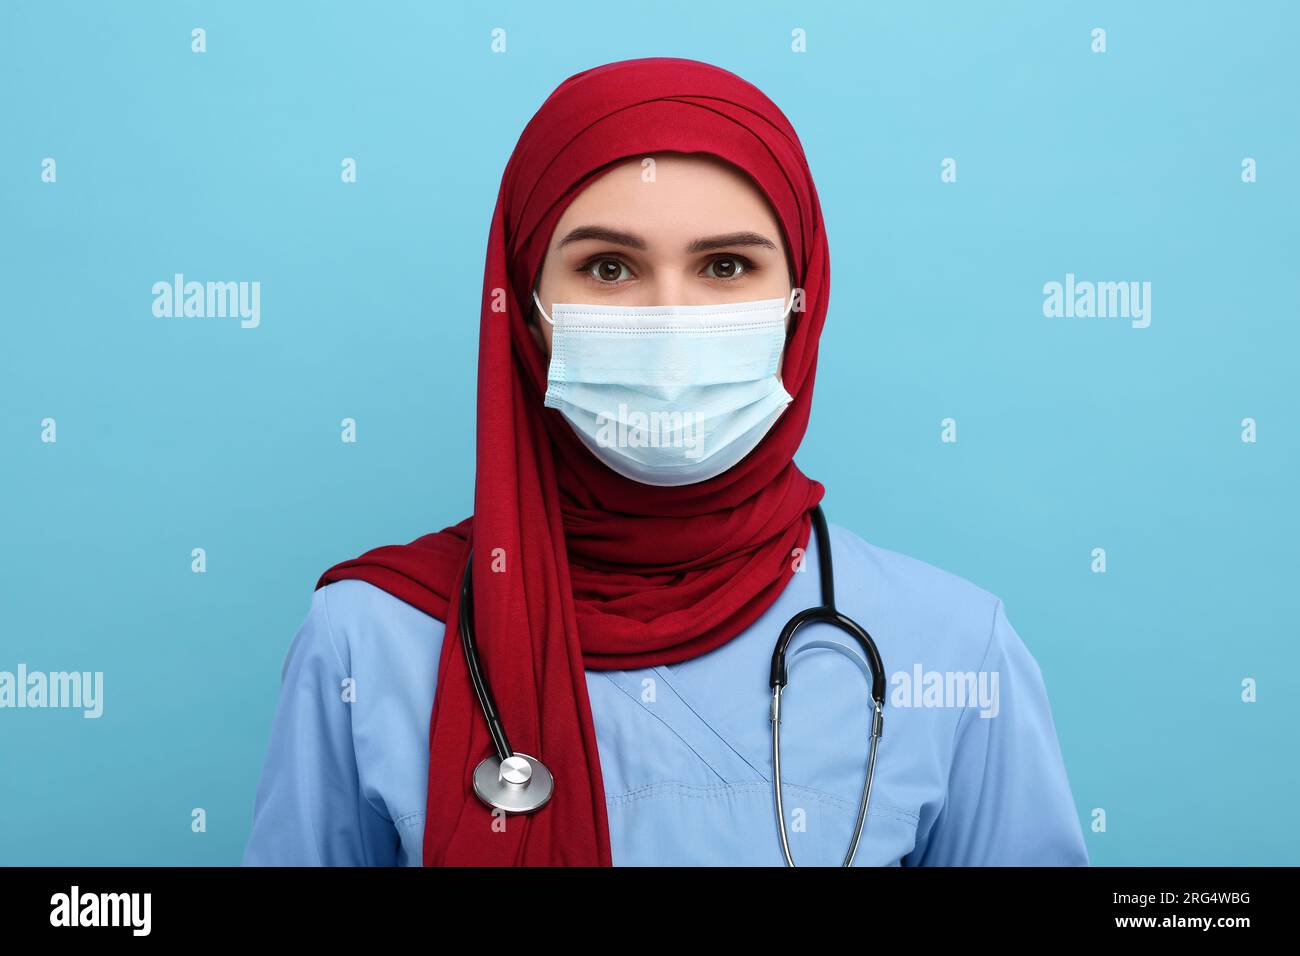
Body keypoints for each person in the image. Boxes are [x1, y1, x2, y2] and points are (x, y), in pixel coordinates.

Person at [241, 56, 1090, 867]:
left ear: (802, 305)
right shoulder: (370, 639)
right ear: (526, 312)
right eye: (609, 268)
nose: (670, 321)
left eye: (727, 266)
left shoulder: (954, 651)